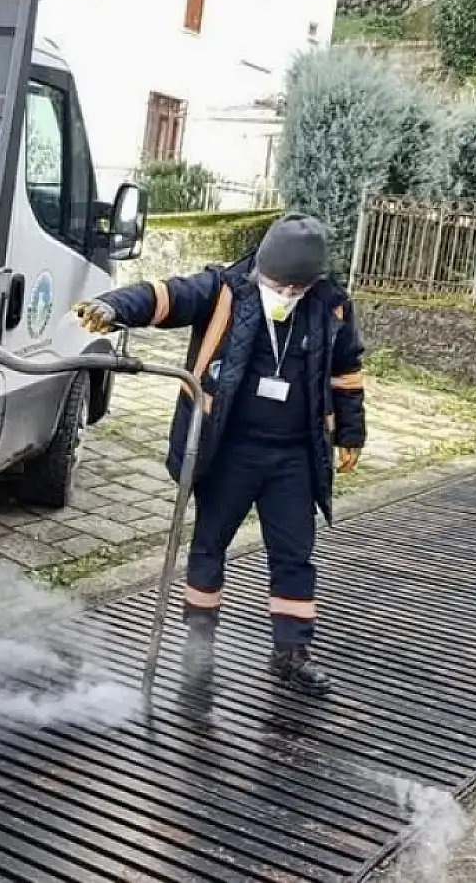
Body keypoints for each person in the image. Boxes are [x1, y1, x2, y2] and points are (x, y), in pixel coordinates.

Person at [73, 213, 366, 697]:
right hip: (228, 449)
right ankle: (199, 645)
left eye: (296, 289)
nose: (286, 296)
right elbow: (165, 296)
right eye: (278, 285)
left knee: (295, 555)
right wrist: (111, 306)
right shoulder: (225, 288)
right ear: (261, 269)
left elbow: (346, 372)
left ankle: (291, 652)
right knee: (209, 546)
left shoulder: (330, 306)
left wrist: (350, 433)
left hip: (293, 457)